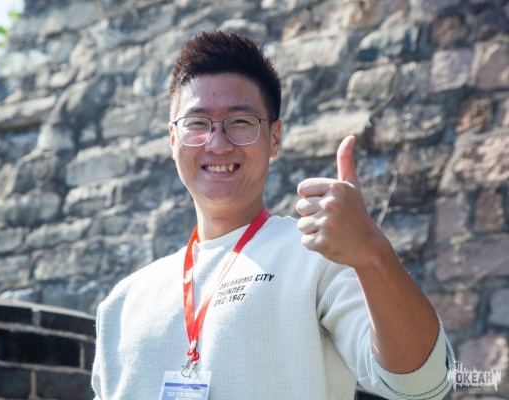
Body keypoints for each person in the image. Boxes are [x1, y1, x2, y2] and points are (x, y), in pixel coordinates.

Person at [91, 30, 454, 399]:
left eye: (240, 122)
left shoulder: (319, 258)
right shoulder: (121, 306)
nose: (217, 143)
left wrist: (374, 255)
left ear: (274, 138)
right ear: (173, 140)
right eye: (197, 124)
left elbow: (423, 384)